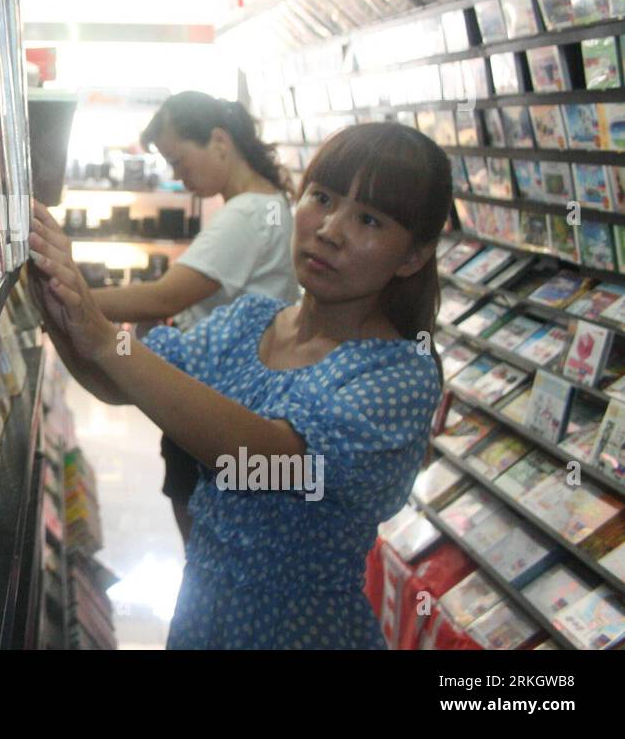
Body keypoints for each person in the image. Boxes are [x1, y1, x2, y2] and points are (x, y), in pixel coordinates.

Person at [27, 122, 450, 648]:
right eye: (321, 198)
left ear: (413, 256)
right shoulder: (251, 321)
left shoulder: (399, 375)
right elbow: (119, 384)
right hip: (202, 618)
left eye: (368, 219)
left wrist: (97, 330)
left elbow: (262, 461)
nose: (330, 229)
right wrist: (50, 296)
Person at [91, 92, 299, 546]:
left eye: (181, 161)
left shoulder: (246, 214)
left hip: (215, 396)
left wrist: (71, 298)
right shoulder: (268, 203)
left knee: (204, 543)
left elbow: (164, 298)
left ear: (220, 141)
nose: (180, 178)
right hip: (237, 397)